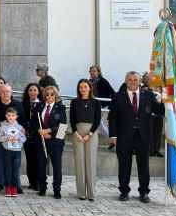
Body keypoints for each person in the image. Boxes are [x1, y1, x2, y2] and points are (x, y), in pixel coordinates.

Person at [109, 71, 164, 202]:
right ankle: (124, 191)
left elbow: (160, 111)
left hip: (143, 136)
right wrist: (113, 135)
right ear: (125, 81)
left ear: (140, 81)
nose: (133, 82)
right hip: (123, 136)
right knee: (124, 165)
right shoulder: (117, 96)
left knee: (143, 166)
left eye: (135, 80)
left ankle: (144, 192)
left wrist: (163, 100)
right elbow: (113, 118)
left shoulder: (149, 95)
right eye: (130, 79)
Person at [0, 84, 25, 192]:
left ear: (11, 92)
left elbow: (23, 120)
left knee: (15, 161)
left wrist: (22, 132)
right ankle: (0, 183)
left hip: (15, 138)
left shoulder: (18, 105)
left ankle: (16, 184)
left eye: (7, 91)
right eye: (3, 91)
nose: (5, 93)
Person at [70, 79, 102, 200]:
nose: (83, 89)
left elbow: (98, 120)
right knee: (80, 161)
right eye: (80, 87)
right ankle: (81, 193)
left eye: (85, 87)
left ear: (90, 88)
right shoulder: (75, 102)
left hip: (91, 133)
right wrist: (76, 133)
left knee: (90, 162)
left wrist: (90, 134)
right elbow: (72, 120)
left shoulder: (96, 102)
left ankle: (92, 193)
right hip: (77, 132)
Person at [34, 85, 67, 199]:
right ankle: (42, 187)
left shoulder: (60, 107)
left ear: (56, 95)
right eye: (47, 94)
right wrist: (40, 131)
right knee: (41, 165)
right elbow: (33, 122)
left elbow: (62, 125)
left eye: (52, 94)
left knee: (57, 166)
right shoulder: (39, 106)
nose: (49, 96)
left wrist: (48, 131)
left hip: (56, 142)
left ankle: (57, 189)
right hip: (41, 140)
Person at [0, 107, 26, 197]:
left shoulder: (19, 127)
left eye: (13, 115)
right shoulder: (3, 126)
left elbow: (24, 138)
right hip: (7, 151)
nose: (10, 117)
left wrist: (18, 138)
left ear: (16, 116)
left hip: (17, 151)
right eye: (9, 115)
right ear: (6, 116)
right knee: (8, 169)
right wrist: (7, 138)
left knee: (15, 170)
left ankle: (14, 188)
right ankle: (7, 188)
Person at [21, 83, 42, 190]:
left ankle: (38, 182)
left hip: (39, 135)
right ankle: (32, 182)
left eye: (35, 90)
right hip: (27, 135)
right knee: (30, 159)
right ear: (27, 92)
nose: (32, 92)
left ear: (38, 91)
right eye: (30, 90)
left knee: (39, 158)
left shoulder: (42, 104)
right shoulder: (23, 104)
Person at [141, 72, 164, 157]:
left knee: (158, 132)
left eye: (150, 78)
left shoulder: (160, 88)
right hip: (149, 115)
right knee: (149, 132)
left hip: (159, 114)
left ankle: (156, 150)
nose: (149, 80)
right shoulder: (143, 88)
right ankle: (149, 149)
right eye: (147, 79)